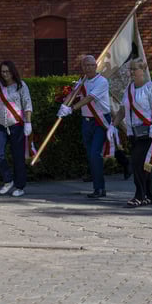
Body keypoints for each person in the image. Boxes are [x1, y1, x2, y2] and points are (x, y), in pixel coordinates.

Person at [110, 59, 152, 207]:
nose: (132, 72)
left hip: (147, 132)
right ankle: (151, 196)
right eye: (130, 69)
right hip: (133, 133)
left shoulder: (150, 87)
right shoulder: (128, 89)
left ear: (143, 69)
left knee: (137, 163)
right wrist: (113, 125)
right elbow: (122, 110)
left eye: (135, 69)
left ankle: (139, 195)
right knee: (145, 165)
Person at [57, 55, 111, 198]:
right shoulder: (83, 81)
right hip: (86, 121)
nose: (88, 68)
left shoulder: (102, 82)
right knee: (90, 154)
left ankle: (100, 188)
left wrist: (71, 109)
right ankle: (97, 185)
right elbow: (74, 94)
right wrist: (63, 106)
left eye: (91, 65)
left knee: (95, 154)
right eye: (85, 65)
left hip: (100, 120)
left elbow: (89, 98)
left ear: (95, 66)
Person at [0, 60, 33, 197]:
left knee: (18, 157)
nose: (5, 74)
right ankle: (8, 180)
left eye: (7, 71)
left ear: (13, 71)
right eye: (3, 72)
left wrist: (28, 123)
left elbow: (27, 104)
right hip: (1, 125)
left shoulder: (21, 85)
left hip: (17, 125)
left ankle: (20, 186)